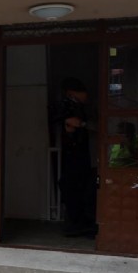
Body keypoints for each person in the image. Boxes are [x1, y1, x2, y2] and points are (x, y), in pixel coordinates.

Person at [51, 77, 97, 237]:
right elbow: (68, 121)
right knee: (72, 188)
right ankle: (76, 224)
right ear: (73, 93)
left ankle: (80, 224)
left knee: (81, 188)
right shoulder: (66, 106)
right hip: (72, 153)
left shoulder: (78, 107)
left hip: (80, 153)